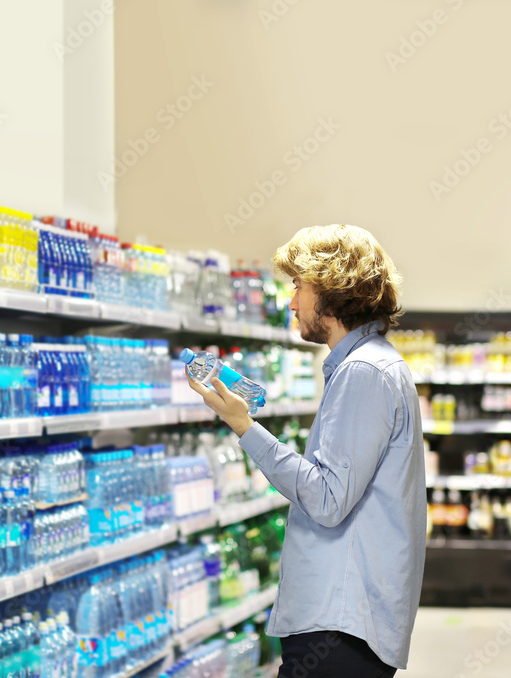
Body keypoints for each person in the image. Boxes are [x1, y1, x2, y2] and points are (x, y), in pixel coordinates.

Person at [187, 224, 427, 677]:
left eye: (298, 287)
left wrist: (243, 425)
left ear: (333, 290)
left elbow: (327, 499)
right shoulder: (371, 366)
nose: (292, 302)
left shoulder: (365, 372)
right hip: (345, 621)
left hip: (339, 625)